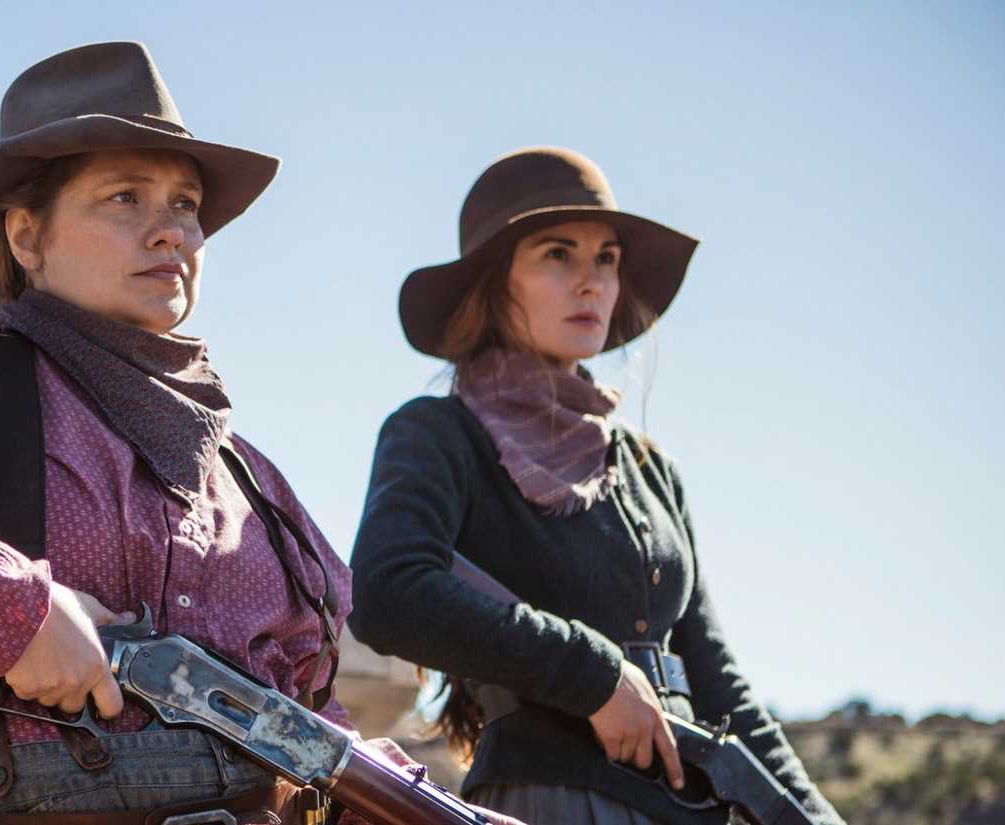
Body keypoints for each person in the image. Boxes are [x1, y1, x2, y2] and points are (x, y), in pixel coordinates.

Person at [0, 41, 516, 825]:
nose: (172, 230)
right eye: (125, 197)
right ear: (26, 235)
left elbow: (312, 723)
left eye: (185, 205)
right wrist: (9, 605)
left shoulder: (257, 486)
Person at [347, 146, 845, 825]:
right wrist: (596, 676)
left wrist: (815, 818)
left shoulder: (650, 470)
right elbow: (387, 591)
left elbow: (718, 682)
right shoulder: (437, 433)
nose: (591, 283)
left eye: (606, 259)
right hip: (549, 802)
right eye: (558, 255)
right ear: (495, 284)